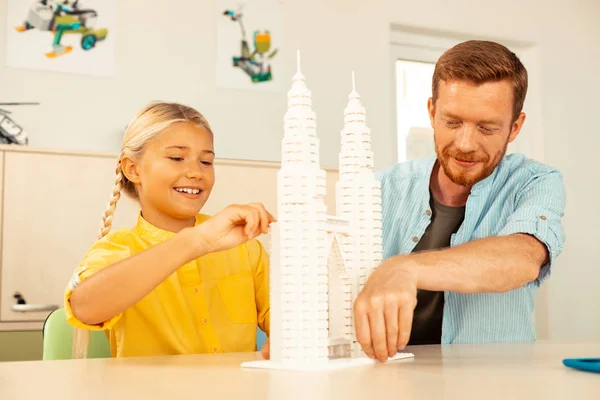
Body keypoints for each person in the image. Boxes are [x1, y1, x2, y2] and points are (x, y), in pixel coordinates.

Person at [353, 40, 566, 362]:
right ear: (432, 112)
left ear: (515, 127)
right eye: (452, 122)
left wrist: (403, 268)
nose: (466, 144)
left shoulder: (535, 181)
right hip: (383, 381)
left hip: (490, 384)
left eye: (487, 127)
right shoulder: (379, 188)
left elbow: (522, 258)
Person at [64, 102, 274, 359]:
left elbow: (288, 318)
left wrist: (287, 338)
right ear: (133, 169)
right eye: (176, 158)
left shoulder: (245, 248)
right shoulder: (117, 249)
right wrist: (196, 241)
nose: (196, 172)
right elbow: (84, 307)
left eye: (206, 161)